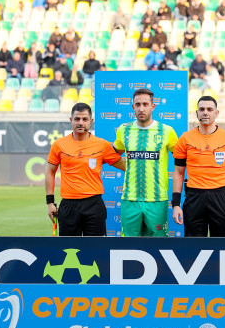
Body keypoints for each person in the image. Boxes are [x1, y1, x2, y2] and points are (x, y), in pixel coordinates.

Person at [46, 103, 126, 236]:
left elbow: (125, 166)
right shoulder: (58, 145)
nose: (80, 123)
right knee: (69, 247)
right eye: (77, 119)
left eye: (85, 119)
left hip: (94, 205)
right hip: (68, 205)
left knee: (96, 247)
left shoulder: (102, 145)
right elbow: (50, 172)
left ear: (91, 121)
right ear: (71, 120)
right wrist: (50, 202)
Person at [172, 96, 225, 237]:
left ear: (216, 113)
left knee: (222, 244)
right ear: (196, 113)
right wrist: (176, 205)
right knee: (194, 245)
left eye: (210, 109)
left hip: (220, 197)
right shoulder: (185, 139)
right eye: (202, 109)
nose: (205, 112)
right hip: (194, 197)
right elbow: (178, 173)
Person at [113, 88, 178, 237]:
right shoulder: (123, 130)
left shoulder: (166, 131)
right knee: (128, 245)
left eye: (145, 104)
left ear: (153, 106)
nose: (141, 109)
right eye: (138, 105)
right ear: (133, 107)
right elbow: (112, 155)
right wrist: (128, 166)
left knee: (159, 245)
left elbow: (181, 158)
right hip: (130, 198)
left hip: (157, 199)